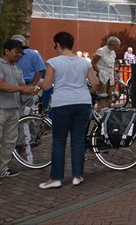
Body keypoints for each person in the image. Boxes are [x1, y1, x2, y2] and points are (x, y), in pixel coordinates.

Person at [37, 32, 100, 189]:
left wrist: (38, 81)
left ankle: (56, 178)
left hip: (62, 104)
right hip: (83, 103)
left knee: (59, 141)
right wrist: (87, 93)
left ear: (58, 44)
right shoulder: (84, 62)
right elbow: (96, 83)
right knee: (78, 139)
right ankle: (77, 176)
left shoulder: (53, 62)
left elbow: (46, 86)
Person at [0, 39, 36, 180]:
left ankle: (3, 169)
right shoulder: (0, 65)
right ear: (6, 51)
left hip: (14, 109)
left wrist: (33, 89)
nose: (19, 55)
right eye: (16, 52)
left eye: (21, 53)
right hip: (1, 108)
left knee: (9, 141)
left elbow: (23, 88)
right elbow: (2, 85)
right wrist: (22, 88)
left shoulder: (17, 69)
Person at [11, 35, 45, 116]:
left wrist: (33, 86)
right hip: (13, 86)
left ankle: (28, 128)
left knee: (26, 113)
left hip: (28, 85)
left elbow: (40, 70)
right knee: (15, 112)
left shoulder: (33, 54)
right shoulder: (11, 54)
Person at [91, 36, 121, 111]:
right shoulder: (101, 51)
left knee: (109, 94)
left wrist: (114, 75)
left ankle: (108, 110)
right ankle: (101, 110)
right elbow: (93, 62)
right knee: (102, 93)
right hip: (102, 74)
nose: (118, 47)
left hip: (110, 75)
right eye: (117, 45)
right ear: (112, 44)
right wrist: (99, 72)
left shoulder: (113, 52)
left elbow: (112, 65)